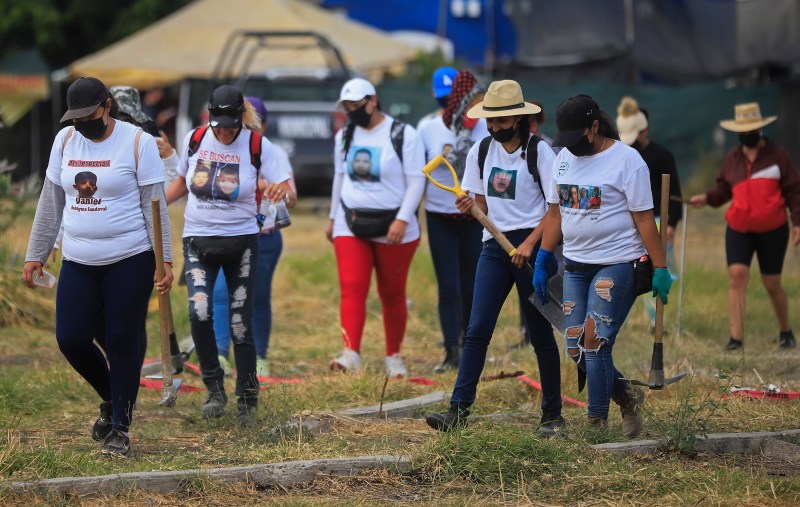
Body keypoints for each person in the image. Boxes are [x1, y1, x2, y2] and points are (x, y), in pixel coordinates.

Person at [22, 77, 173, 456]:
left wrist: (163, 258)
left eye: (89, 116)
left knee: (122, 339)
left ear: (108, 106)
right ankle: (112, 397)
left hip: (131, 257)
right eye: (75, 118)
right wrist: (36, 252)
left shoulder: (137, 142)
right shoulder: (65, 141)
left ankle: (120, 427)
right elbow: (52, 200)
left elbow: (154, 206)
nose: (83, 124)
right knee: (71, 338)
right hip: (79, 257)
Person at [425, 80, 564, 437]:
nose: (495, 127)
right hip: (494, 246)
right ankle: (457, 412)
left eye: (502, 121)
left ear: (518, 118)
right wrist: (472, 206)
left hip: (531, 247)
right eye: (491, 120)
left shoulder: (540, 152)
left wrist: (532, 245)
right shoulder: (481, 151)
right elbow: (483, 201)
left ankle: (552, 414)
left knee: (539, 334)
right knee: (476, 332)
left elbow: (554, 210)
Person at [533, 94, 672, 438]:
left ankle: (596, 425)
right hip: (575, 267)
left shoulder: (627, 161)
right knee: (575, 346)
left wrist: (659, 267)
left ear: (594, 128)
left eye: (576, 137)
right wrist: (543, 255)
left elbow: (643, 220)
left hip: (616, 265)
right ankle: (627, 396)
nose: (570, 146)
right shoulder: (562, 159)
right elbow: (554, 213)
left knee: (595, 343)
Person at [166, 85, 292, 427]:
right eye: (217, 123)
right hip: (197, 241)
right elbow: (180, 182)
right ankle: (214, 388)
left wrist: (282, 193)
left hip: (241, 244)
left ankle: (247, 399)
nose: (223, 131)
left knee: (239, 323)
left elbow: (288, 194)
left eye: (230, 125)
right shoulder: (194, 138)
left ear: (241, 117)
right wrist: (157, 203)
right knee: (200, 313)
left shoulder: (257, 145)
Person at [326, 77, 425, 378]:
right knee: (352, 287)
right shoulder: (344, 135)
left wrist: (402, 219)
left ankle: (393, 356)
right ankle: (350, 353)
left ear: (373, 101)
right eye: (347, 107)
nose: (352, 112)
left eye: (356, 105)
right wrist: (332, 218)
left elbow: (416, 180)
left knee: (392, 292)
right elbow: (340, 177)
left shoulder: (403, 134)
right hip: (350, 219)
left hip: (394, 224)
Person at [689, 102, 800, 351]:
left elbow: (794, 190)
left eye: (753, 129)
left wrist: (797, 223)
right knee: (737, 277)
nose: (748, 134)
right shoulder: (733, 159)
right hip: (739, 228)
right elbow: (723, 190)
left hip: (773, 228)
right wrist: (707, 198)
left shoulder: (777, 155)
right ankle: (736, 338)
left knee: (772, 283)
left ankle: (786, 330)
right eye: (744, 130)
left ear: (760, 129)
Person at [213, 96, 297, 379]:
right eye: (243, 121)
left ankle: (259, 357)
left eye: (253, 122)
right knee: (222, 294)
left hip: (264, 236)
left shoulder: (273, 152)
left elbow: (292, 195)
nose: (246, 127)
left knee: (258, 297)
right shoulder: (219, 146)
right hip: (228, 233)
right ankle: (220, 355)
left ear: (264, 123)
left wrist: (275, 188)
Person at [417, 69, 486, 372]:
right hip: (439, 217)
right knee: (448, 287)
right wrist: (407, 217)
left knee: (472, 286)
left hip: (473, 218)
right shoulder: (429, 129)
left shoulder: (486, 128)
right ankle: (451, 351)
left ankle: (469, 345)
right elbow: (418, 173)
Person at [617, 96, 683, 327]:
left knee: (658, 268)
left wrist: (671, 223)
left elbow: (674, 194)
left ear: (644, 131)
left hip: (655, 220)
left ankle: (658, 319)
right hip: (627, 220)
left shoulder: (663, 156)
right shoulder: (621, 156)